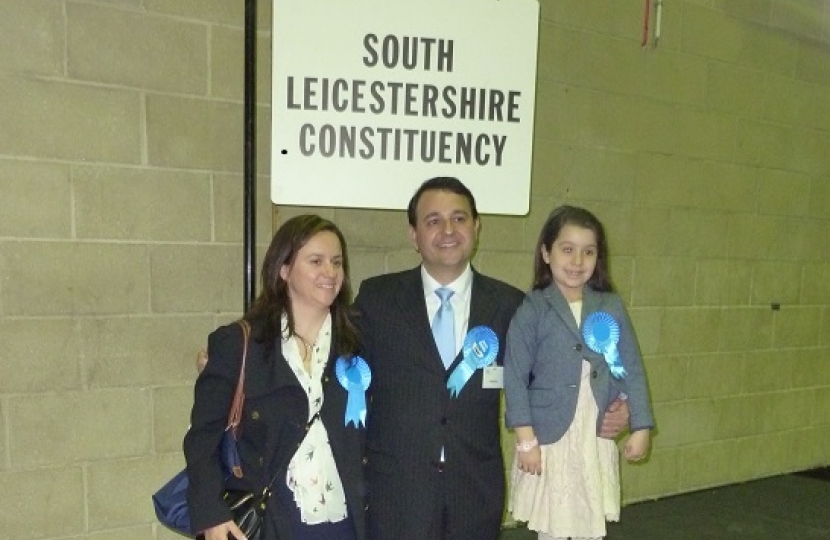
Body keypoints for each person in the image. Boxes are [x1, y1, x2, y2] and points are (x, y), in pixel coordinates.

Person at [352, 176, 526, 540]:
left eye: (459, 219)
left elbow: (543, 382)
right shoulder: (378, 299)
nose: (448, 230)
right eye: (433, 221)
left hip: (475, 493)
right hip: (396, 495)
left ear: (476, 227)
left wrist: (607, 399)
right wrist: (244, 353)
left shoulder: (509, 305)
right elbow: (329, 359)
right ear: (413, 234)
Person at [184, 214, 368, 540]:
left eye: (337, 262)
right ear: (283, 270)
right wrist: (211, 515)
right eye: (316, 261)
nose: (330, 272)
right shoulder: (238, 343)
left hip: (346, 523)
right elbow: (202, 440)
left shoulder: (358, 343)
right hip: (271, 521)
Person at [504, 205, 655, 540]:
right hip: (550, 435)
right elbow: (514, 375)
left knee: (588, 522)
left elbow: (631, 367)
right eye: (567, 250)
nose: (577, 262)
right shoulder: (532, 309)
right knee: (555, 525)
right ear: (546, 252)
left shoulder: (610, 306)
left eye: (588, 252)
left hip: (594, 429)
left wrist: (640, 425)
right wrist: (525, 440)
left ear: (597, 258)